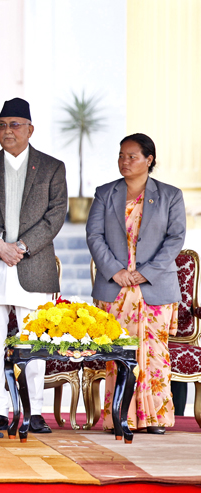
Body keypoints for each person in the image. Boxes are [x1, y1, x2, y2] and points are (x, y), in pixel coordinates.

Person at [0, 98, 67, 434]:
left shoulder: (52, 167)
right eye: (2, 125)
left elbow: (56, 216)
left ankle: (34, 411)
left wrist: (20, 247)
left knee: (33, 341)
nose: (7, 131)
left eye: (15, 124)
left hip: (32, 263)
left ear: (30, 129)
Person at [86, 133, 185, 434]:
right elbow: (94, 236)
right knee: (118, 355)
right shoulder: (105, 193)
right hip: (115, 287)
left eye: (131, 156)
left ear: (149, 160)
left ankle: (156, 418)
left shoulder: (170, 195)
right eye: (121, 155)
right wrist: (115, 271)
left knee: (154, 354)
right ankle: (119, 415)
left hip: (153, 287)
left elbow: (175, 238)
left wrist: (147, 272)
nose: (124, 161)